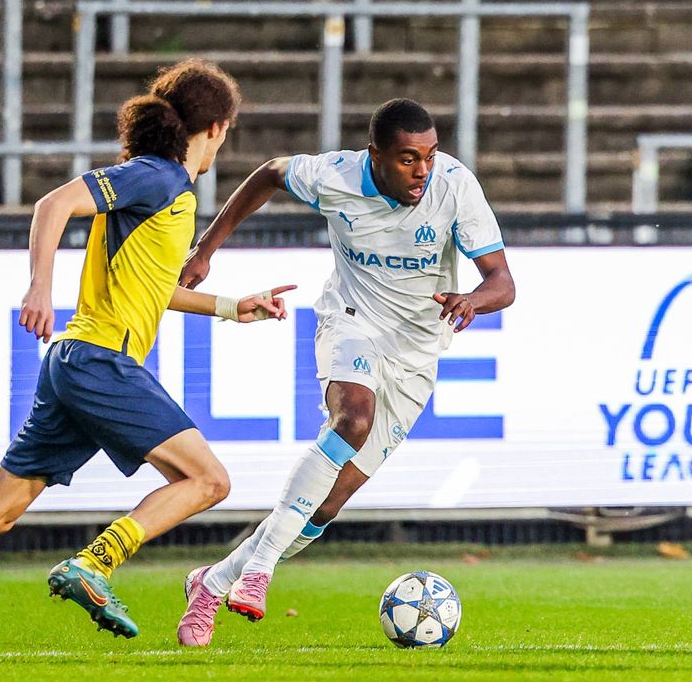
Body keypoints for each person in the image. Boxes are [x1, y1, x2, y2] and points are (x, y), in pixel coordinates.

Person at [0, 59, 294, 660]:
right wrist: (39, 286)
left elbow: (154, 288)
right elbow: (52, 205)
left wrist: (229, 306)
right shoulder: (158, 177)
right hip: (100, 361)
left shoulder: (164, 188)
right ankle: (95, 563)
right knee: (208, 480)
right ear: (218, 128)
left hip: (75, 363)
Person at [175, 98, 515, 646]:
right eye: (408, 159)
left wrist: (473, 299)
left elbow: (503, 282)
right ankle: (259, 570)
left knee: (325, 505)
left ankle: (212, 582)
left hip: (416, 355)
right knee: (352, 419)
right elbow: (269, 174)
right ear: (375, 154)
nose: (423, 170)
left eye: (430, 156)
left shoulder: (455, 186)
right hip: (351, 321)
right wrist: (205, 249)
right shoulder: (335, 175)